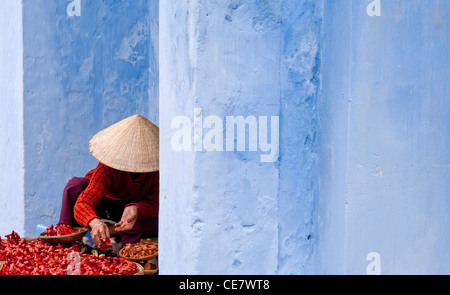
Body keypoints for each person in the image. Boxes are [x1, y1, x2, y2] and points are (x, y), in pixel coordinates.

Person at [58, 114, 159, 248]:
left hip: (129, 215)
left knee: (150, 224)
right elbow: (83, 202)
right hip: (106, 204)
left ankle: (115, 235)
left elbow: (157, 204)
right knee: (74, 186)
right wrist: (94, 222)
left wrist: (137, 208)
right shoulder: (108, 167)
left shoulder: (155, 172)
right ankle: (65, 237)